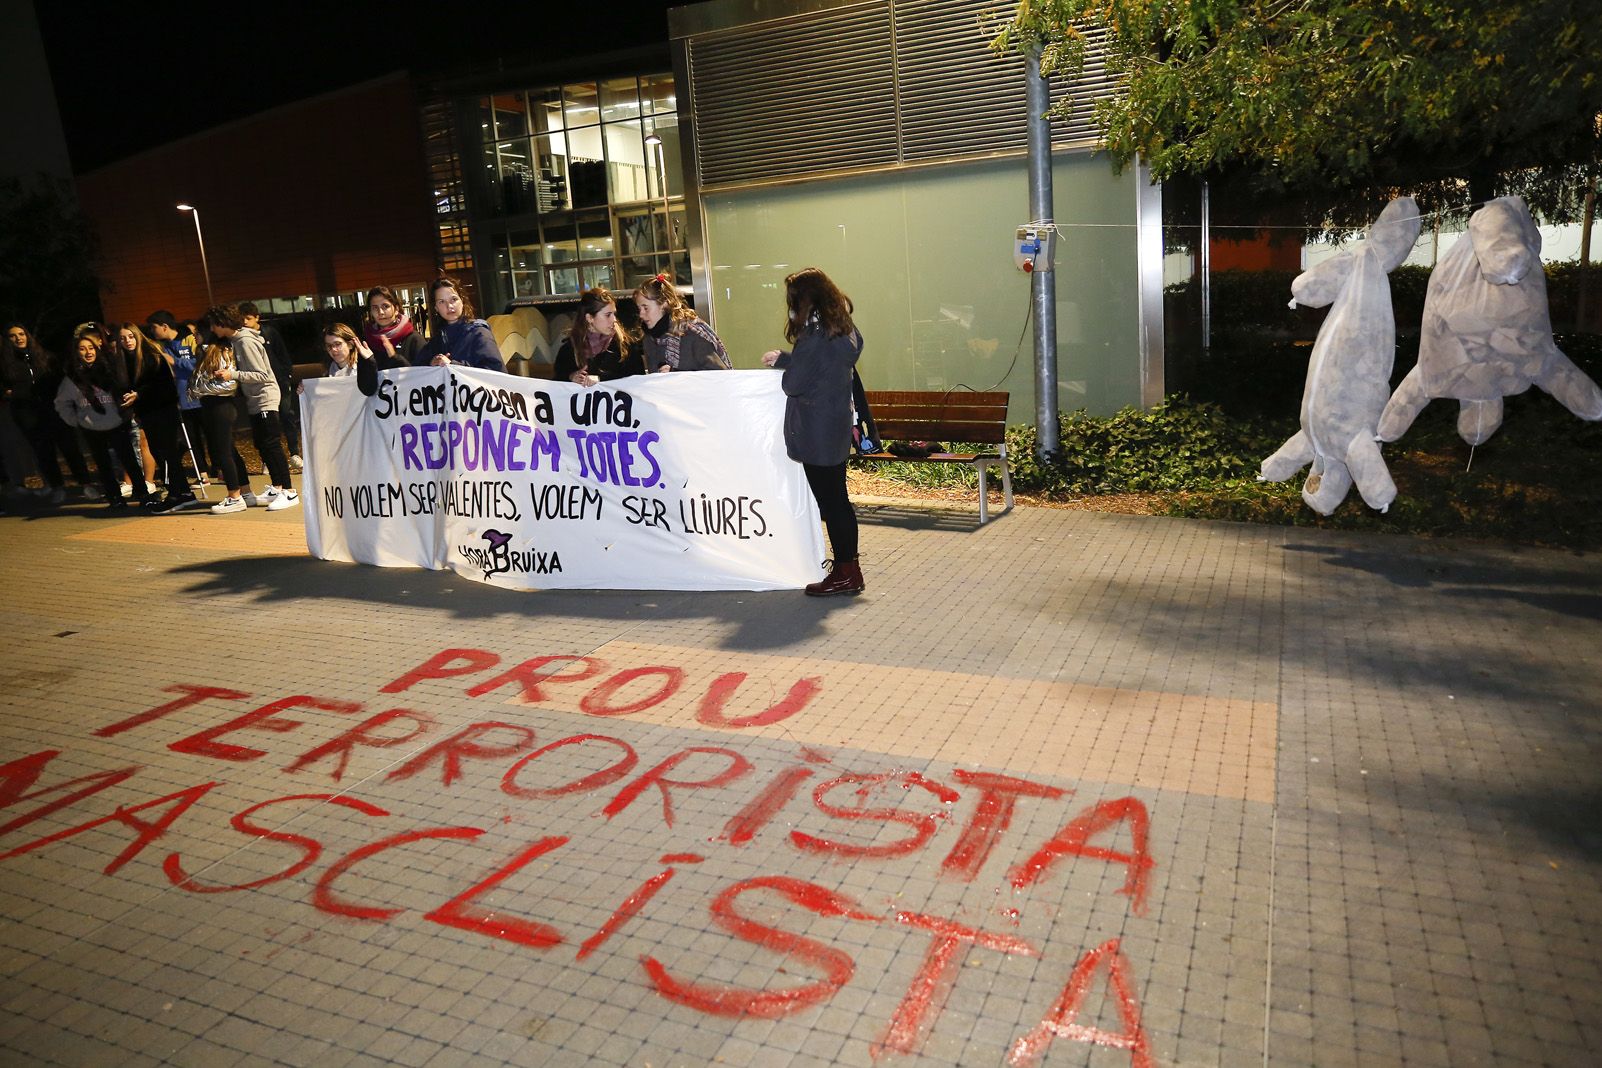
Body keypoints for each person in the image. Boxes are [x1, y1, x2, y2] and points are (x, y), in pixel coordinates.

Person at [761, 267, 866, 596]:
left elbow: (794, 384)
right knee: (840, 501)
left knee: (832, 503)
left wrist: (788, 365)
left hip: (816, 430)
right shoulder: (842, 328)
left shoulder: (813, 334)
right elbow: (823, 364)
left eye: (792, 300)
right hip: (835, 424)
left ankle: (846, 572)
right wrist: (788, 358)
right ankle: (850, 568)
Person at [206, 304, 299, 512]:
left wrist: (233, 375)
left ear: (222, 323)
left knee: (271, 444)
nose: (212, 329)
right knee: (263, 444)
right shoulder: (238, 340)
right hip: (256, 399)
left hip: (265, 397)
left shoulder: (245, 341)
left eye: (213, 325)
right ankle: (277, 487)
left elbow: (262, 374)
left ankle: (289, 491)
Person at [1, 322, 97, 503]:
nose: (18, 338)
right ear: (8, 340)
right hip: (27, 413)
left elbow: (60, 380)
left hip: (54, 409)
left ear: (27, 335)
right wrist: (10, 393)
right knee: (44, 451)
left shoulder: (44, 356)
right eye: (13, 336)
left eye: (21, 334)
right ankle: (57, 487)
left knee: (70, 448)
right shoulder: (5, 363)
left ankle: (86, 484)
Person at [54, 333, 151, 510]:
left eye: (91, 348)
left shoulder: (109, 370)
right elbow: (61, 403)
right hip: (91, 428)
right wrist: (76, 420)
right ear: (76, 353)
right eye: (82, 349)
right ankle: (114, 497)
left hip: (116, 423)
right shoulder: (72, 378)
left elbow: (124, 392)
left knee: (129, 460)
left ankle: (142, 493)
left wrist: (126, 413)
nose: (88, 352)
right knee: (104, 464)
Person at [116, 323, 195, 512]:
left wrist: (140, 395)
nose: (127, 341)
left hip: (163, 412)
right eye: (123, 338)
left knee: (166, 454)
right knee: (161, 453)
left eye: (130, 336)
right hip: (147, 414)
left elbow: (163, 386)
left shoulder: (152, 356)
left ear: (138, 336)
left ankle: (176, 493)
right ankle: (183, 492)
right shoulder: (125, 361)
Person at [187, 334, 255, 514]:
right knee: (230, 451)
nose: (195, 338)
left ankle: (234, 496)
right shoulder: (208, 354)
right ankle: (245, 492)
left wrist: (199, 388)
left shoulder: (221, 352)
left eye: (197, 335)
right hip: (213, 407)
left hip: (220, 407)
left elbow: (228, 385)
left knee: (223, 452)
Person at [147, 310, 212, 488]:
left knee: (212, 436)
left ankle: (223, 470)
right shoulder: (162, 346)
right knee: (191, 439)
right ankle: (203, 475)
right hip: (183, 401)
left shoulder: (189, 340)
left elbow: (199, 365)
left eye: (154, 327)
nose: (152, 332)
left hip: (201, 397)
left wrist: (175, 362)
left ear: (164, 326)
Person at [239, 302, 302, 470]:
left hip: (279, 381)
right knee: (267, 424)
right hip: (261, 386)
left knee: (286, 416)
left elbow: (282, 354)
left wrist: (286, 375)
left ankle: (294, 453)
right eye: (242, 318)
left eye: (248, 318)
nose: (245, 322)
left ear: (257, 317)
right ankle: (269, 459)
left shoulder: (269, 332)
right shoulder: (243, 338)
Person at [634, 274, 732, 373]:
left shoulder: (692, 334)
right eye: (639, 309)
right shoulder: (649, 339)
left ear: (664, 304)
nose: (641, 314)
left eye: (646, 308)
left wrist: (676, 374)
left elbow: (719, 374)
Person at [553, 288, 644, 386]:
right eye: (608, 315)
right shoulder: (569, 351)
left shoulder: (625, 348)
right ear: (589, 318)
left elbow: (638, 383)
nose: (614, 320)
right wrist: (570, 377)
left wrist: (602, 380)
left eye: (614, 314)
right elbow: (556, 387)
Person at [418, 276, 504, 370]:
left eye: (454, 299)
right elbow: (416, 367)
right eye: (442, 302)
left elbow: (496, 372)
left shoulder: (479, 333)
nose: (449, 306)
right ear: (436, 308)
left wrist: (453, 365)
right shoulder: (437, 339)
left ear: (462, 301)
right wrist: (431, 362)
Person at [362, 286, 425, 366]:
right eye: (375, 308)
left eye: (385, 306)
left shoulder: (413, 339)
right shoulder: (367, 341)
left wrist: (394, 358)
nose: (380, 312)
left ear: (396, 309)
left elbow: (423, 373)